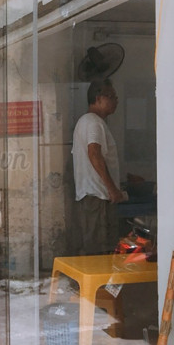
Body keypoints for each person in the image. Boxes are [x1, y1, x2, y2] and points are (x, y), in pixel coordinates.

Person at [72, 78, 127, 255]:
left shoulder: (90, 122)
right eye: (111, 97)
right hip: (97, 196)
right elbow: (94, 154)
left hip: (95, 196)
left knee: (99, 249)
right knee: (99, 250)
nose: (115, 101)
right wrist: (112, 189)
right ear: (98, 98)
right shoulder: (93, 122)